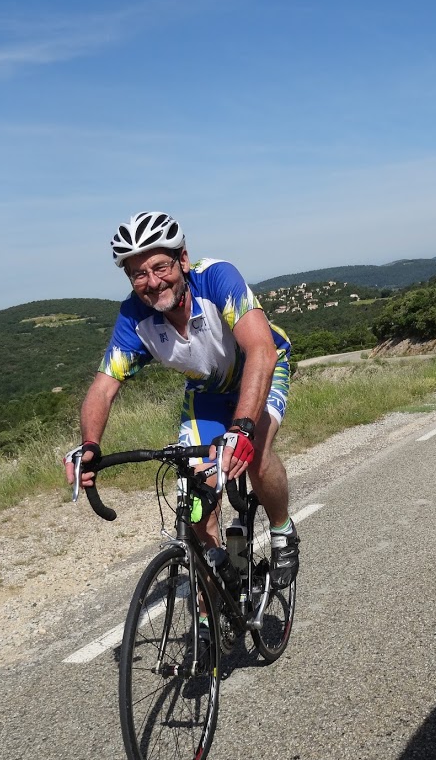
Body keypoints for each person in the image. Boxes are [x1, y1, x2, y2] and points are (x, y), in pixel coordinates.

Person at [64, 211, 299, 586]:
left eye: (160, 267)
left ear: (183, 260)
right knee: (195, 496)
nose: (153, 282)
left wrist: (240, 430)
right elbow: (103, 387)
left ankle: (282, 530)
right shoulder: (134, 317)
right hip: (206, 390)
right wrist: (89, 444)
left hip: (263, 370)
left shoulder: (217, 277)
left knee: (252, 452)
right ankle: (211, 604)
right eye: (139, 274)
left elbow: (261, 351)